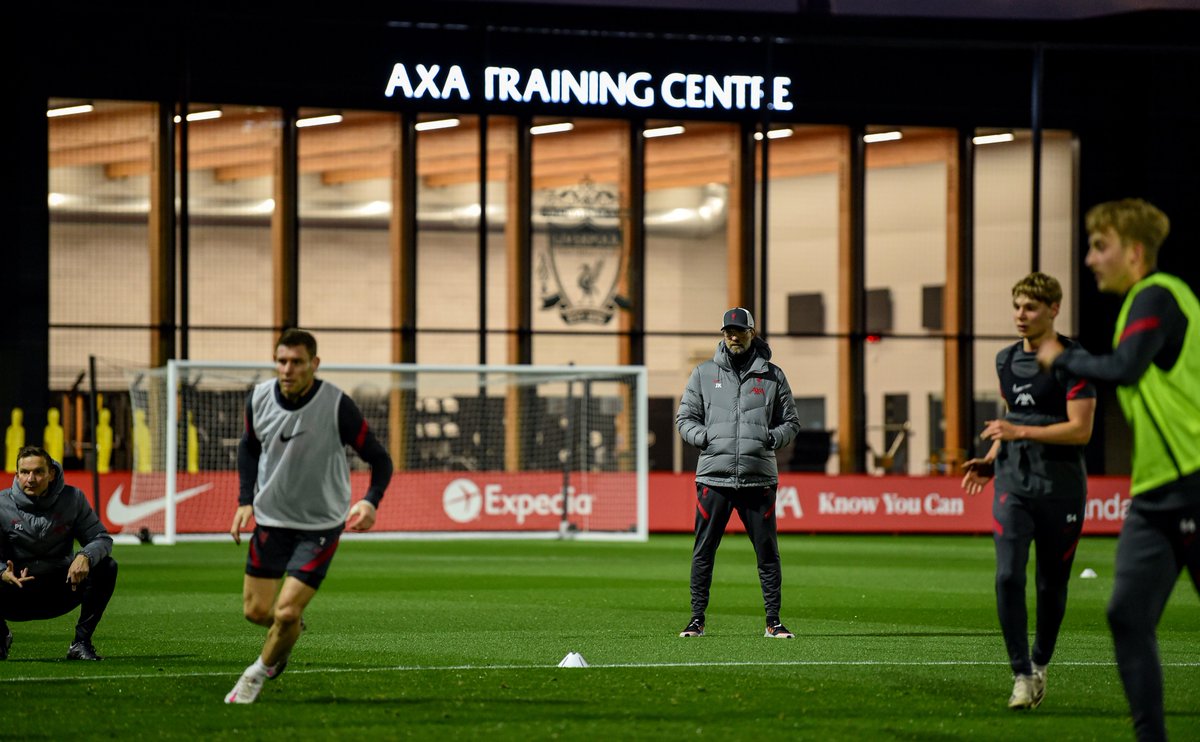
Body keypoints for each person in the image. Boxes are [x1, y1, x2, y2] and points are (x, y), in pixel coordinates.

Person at [1038, 198, 1200, 742]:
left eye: (1099, 246)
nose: (1089, 259)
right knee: (1127, 616)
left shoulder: (1158, 295)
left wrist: (1063, 357)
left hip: (1195, 484)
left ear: (1133, 253)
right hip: (1156, 496)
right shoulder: (1141, 299)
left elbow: (1125, 367)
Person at [225, 328, 393, 704]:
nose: (287, 369)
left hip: (319, 525)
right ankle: (289, 632)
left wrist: (370, 501)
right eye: (281, 361)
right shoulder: (259, 399)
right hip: (271, 519)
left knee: (284, 612)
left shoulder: (336, 404)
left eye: (297, 362)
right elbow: (249, 448)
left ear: (314, 364)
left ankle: (257, 674)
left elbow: (380, 459)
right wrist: (244, 499)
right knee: (256, 612)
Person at [960, 272, 1096, 711]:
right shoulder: (1004, 360)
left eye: (1031, 307)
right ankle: (1020, 673)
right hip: (1013, 484)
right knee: (1007, 576)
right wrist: (992, 453)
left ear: (1054, 309)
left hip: (1061, 490)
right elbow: (1013, 413)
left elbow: (1081, 430)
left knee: (1051, 585)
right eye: (1017, 306)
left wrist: (1017, 429)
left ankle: (1040, 665)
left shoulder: (1075, 361)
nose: (1021, 315)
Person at [675, 307, 801, 639]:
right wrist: (705, 437)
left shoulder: (774, 376)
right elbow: (684, 419)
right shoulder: (702, 374)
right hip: (713, 478)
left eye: (739, 331)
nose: (733, 336)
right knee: (703, 550)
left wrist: (774, 437)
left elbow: (791, 422)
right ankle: (696, 619)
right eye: (728, 331)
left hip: (758, 479)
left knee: (767, 552)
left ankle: (773, 622)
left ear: (751, 333)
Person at [0, 445, 117, 661]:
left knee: (107, 566)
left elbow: (101, 538)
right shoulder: (1, 504)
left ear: (51, 473)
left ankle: (81, 643)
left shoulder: (72, 498)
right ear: (16, 475)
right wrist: (2, 573)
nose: (31, 479)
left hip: (60, 588)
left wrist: (85, 556)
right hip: (14, 590)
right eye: (25, 473)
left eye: (38, 472)